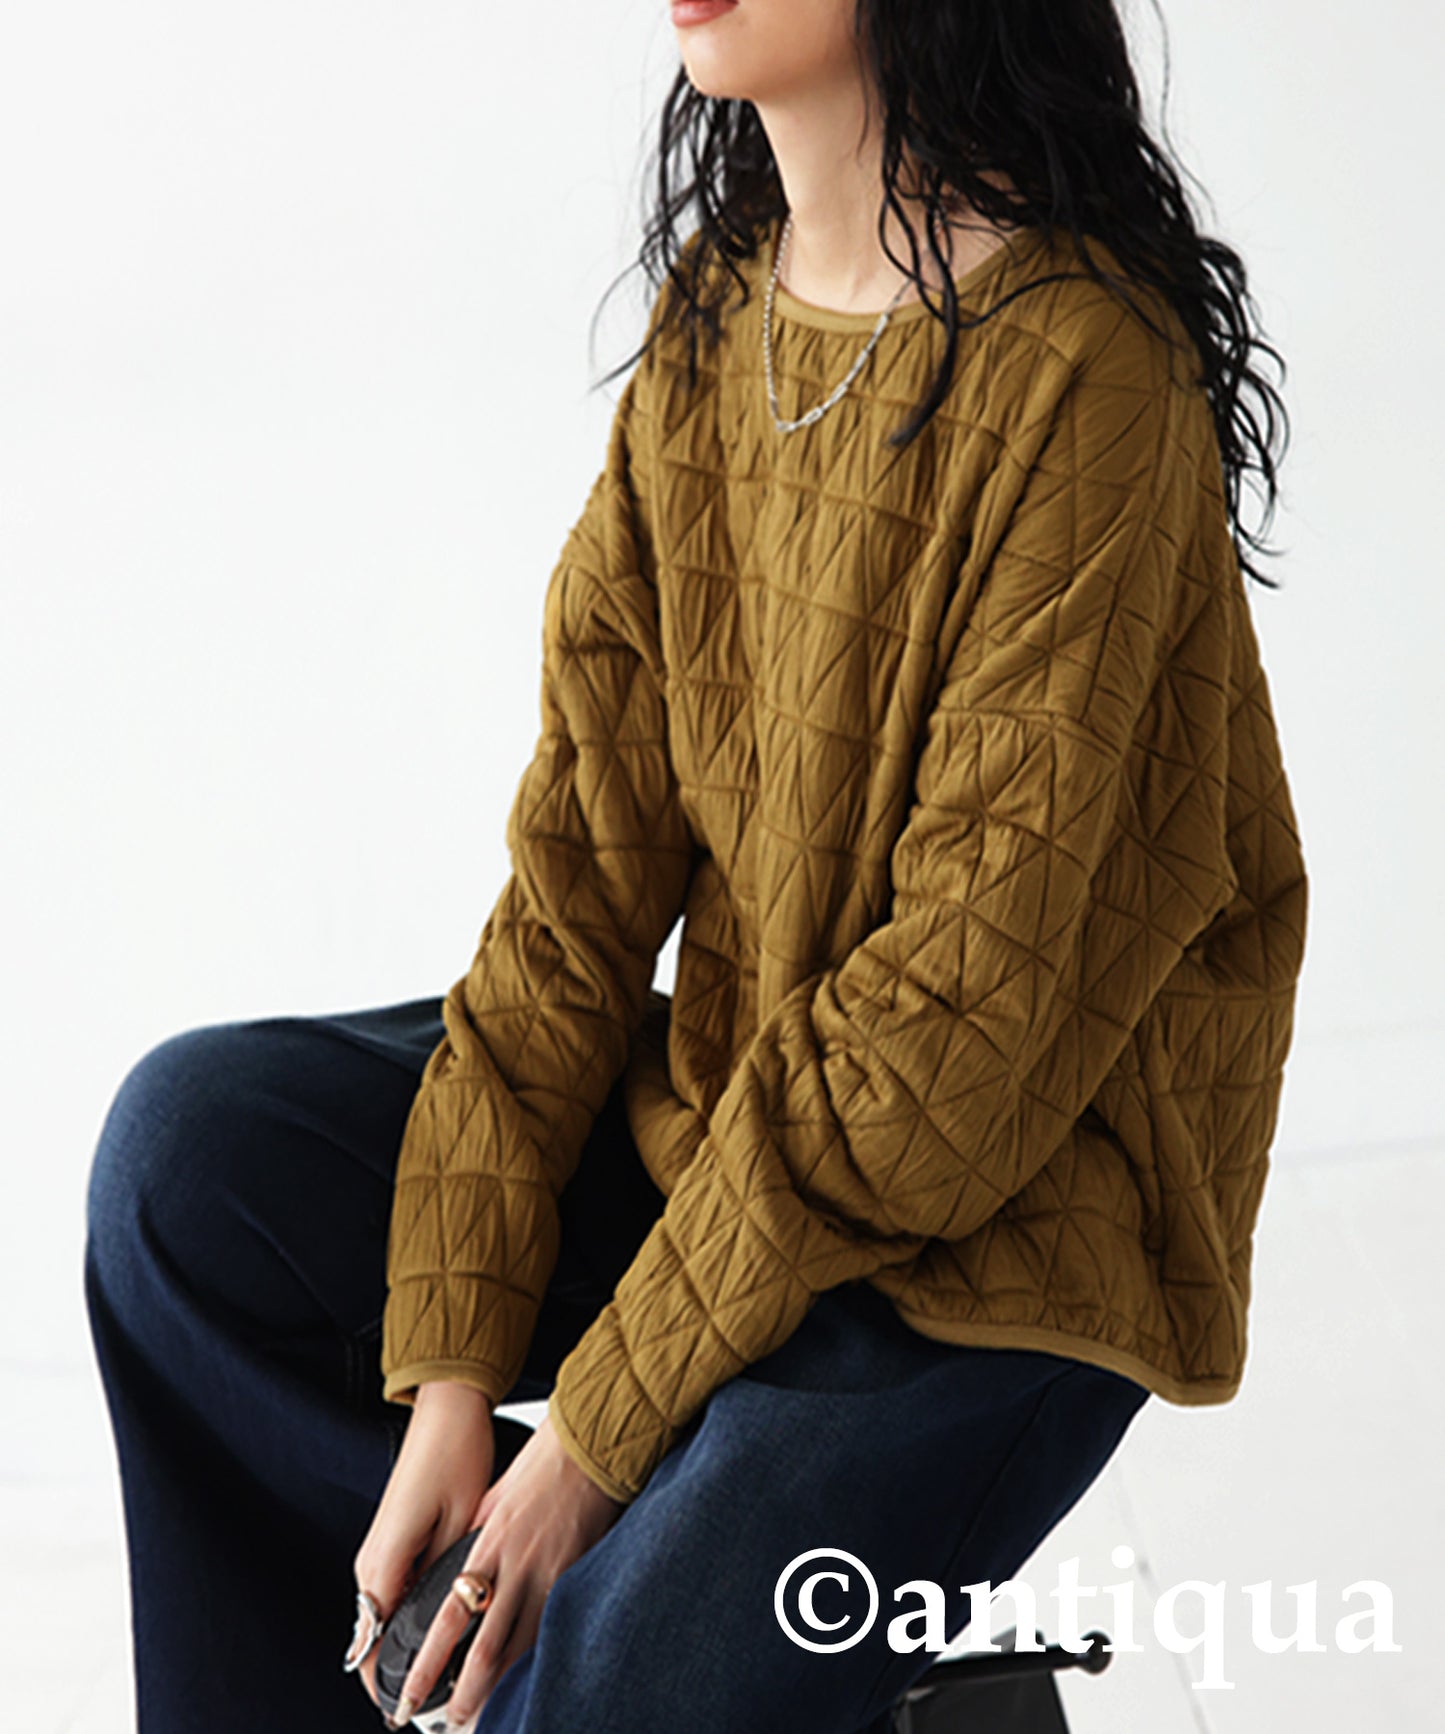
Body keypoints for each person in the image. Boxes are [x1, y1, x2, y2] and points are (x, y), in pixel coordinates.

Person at [83, 3, 1310, 1732]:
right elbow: (573, 894)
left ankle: (708, 1652)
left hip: (1008, 1250)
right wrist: (452, 1372)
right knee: (187, 1170)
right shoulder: (718, 321)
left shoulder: (1089, 375)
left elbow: (948, 1044)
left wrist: (592, 1436)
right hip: (748, 1137)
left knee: (614, 1672)